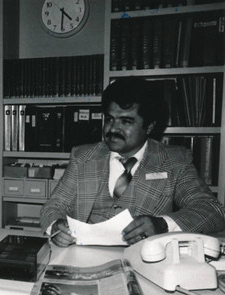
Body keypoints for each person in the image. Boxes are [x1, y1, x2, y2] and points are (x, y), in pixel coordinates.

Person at [41, 76, 225, 247]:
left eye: (126, 121)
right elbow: (54, 206)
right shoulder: (83, 156)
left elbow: (212, 211)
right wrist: (56, 226)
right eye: (109, 119)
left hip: (143, 261)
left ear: (149, 127)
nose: (113, 128)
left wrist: (162, 225)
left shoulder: (174, 161)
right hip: (82, 258)